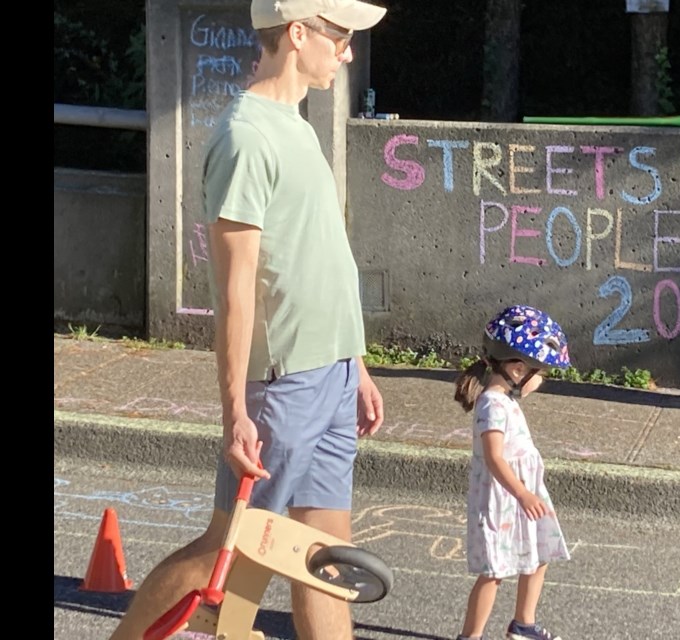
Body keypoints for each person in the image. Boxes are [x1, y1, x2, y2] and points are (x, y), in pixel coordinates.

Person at [108, 1, 388, 639]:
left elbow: (314, 261)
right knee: (225, 548)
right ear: (297, 34)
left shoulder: (296, 124)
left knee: (323, 564)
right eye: (339, 36)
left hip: (333, 374)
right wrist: (235, 408)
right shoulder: (244, 137)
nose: (346, 52)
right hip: (283, 384)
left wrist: (356, 364)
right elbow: (236, 292)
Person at [452, 305, 573, 640]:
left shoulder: (507, 401)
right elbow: (493, 457)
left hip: (523, 495)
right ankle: (470, 636)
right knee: (494, 573)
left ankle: (523, 624)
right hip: (502, 500)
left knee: (540, 554)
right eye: (541, 373)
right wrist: (522, 493)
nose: (542, 380)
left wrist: (528, 492)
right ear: (518, 370)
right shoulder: (492, 404)